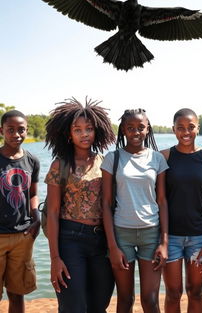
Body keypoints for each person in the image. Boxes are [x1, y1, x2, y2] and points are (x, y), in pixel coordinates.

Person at [44, 97, 116, 313]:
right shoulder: (60, 165)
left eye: (89, 129)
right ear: (69, 134)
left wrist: (114, 246)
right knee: (73, 308)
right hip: (70, 241)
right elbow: (53, 213)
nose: (84, 134)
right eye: (78, 130)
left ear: (98, 131)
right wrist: (55, 258)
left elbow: (109, 206)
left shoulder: (105, 162)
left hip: (101, 242)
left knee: (98, 306)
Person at [102, 108, 168, 313]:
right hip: (122, 234)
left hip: (151, 233)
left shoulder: (157, 159)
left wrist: (164, 243)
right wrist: (112, 246)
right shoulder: (112, 159)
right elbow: (105, 204)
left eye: (141, 127)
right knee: (125, 299)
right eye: (130, 128)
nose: (136, 132)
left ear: (148, 129)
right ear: (123, 130)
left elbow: (163, 201)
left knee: (149, 300)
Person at [161, 108, 202, 313]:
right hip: (172, 237)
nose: (186, 132)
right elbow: (159, 200)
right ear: (173, 129)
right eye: (180, 128)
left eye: (191, 127)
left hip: (199, 237)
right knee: (173, 293)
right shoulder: (164, 157)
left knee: (195, 291)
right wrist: (163, 240)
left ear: (198, 128)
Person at [0, 110, 40, 313]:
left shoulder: (32, 161)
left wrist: (37, 219)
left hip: (22, 236)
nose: (16, 134)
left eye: (21, 130)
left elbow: (32, 193)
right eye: (11, 130)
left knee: (17, 294)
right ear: (2, 131)